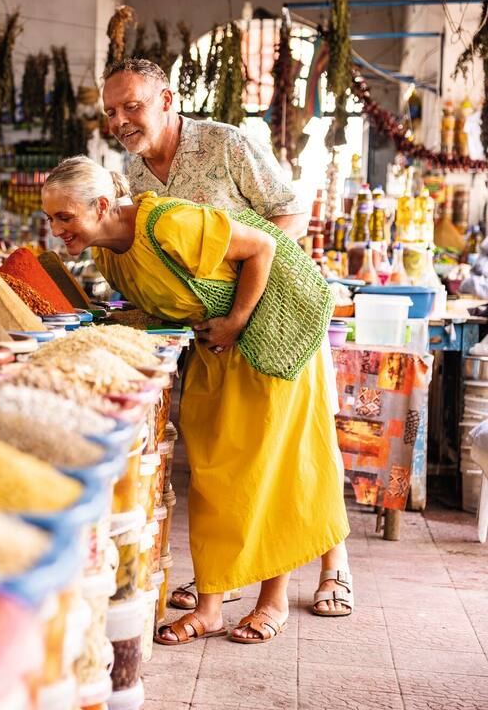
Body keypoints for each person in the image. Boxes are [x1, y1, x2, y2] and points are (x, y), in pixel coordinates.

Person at [42, 156, 350, 644]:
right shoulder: (106, 255)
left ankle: (273, 603)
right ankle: (210, 606)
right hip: (217, 347)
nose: (56, 229)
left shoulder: (169, 223)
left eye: (64, 217)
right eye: (50, 218)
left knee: (271, 468)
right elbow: (161, 302)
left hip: (272, 339)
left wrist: (236, 321)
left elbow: (264, 247)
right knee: (212, 474)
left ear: (101, 205)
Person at [103, 58, 354, 618]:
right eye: (112, 111)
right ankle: (227, 577)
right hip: (216, 335)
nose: (120, 120)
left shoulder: (224, 145)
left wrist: (244, 297)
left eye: (132, 106)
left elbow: (289, 215)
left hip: (278, 314)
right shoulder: (135, 174)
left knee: (297, 454)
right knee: (236, 464)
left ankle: (331, 571)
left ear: (167, 100)